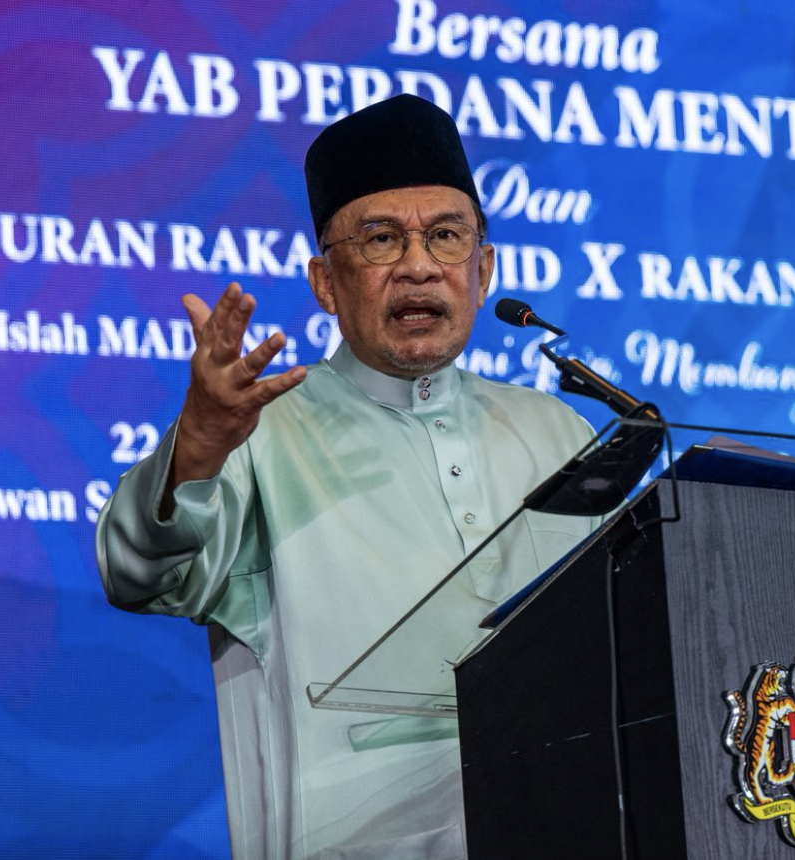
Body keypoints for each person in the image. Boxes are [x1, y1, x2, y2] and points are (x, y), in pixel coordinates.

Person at [96, 94, 598, 860]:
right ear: (326, 283)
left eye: (445, 236)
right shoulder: (259, 433)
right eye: (381, 239)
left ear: (483, 268)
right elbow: (136, 573)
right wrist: (196, 447)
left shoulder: (558, 432)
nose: (419, 266)